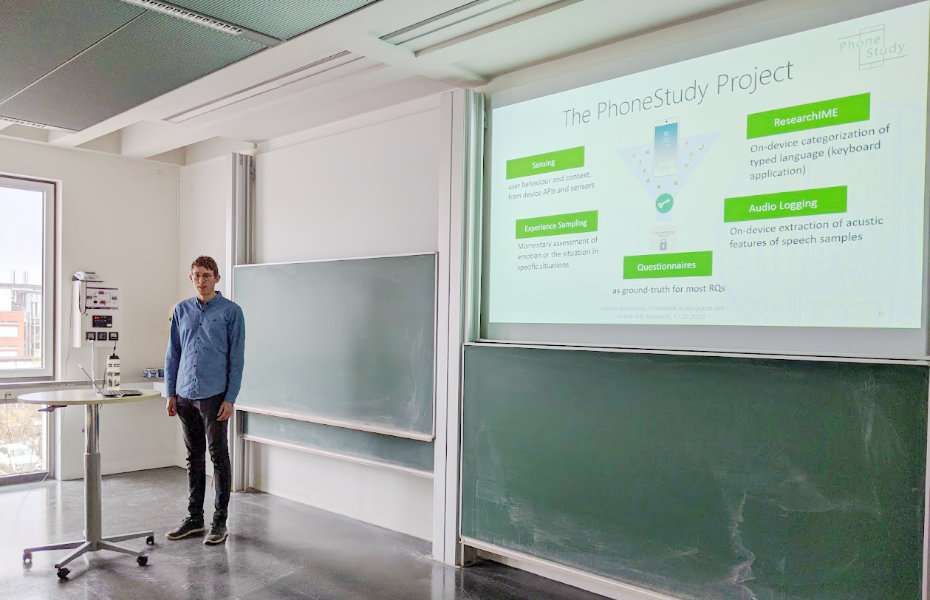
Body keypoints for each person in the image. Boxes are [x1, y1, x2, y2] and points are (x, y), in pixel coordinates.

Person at [164, 256, 245, 545]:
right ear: (191, 278)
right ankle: (194, 519)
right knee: (193, 458)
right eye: (197, 275)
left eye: (207, 275)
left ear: (217, 278)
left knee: (218, 457)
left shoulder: (231, 312)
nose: (202, 280)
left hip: (214, 396)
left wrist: (231, 397)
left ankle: (219, 522)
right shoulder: (181, 310)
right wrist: (170, 393)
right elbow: (173, 353)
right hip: (185, 394)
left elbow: (236, 359)